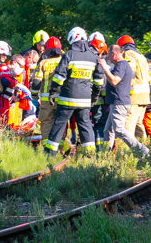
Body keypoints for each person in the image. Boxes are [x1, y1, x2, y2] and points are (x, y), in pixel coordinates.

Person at [43, 27, 105, 156]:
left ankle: (49, 154)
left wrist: (53, 91)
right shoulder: (93, 57)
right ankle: (90, 155)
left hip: (67, 98)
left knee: (59, 124)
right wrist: (94, 96)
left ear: (72, 38)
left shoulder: (69, 54)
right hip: (85, 100)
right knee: (85, 125)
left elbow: (59, 76)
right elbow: (99, 81)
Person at [100, 44, 150, 157]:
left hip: (119, 103)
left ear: (114, 54)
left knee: (118, 130)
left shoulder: (121, 65)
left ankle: (142, 149)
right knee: (108, 131)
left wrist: (104, 68)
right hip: (116, 103)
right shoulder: (120, 65)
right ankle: (104, 155)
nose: (108, 58)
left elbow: (114, 81)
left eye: (109, 55)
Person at [117, 35, 151, 153]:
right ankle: (143, 148)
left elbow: (130, 71)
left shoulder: (128, 54)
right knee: (138, 124)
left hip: (134, 96)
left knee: (128, 125)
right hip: (144, 95)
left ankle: (126, 153)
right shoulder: (141, 56)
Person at [37, 36, 64, 146]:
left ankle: (46, 148)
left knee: (46, 121)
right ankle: (60, 147)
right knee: (60, 122)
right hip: (62, 98)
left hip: (46, 99)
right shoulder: (64, 60)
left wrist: (34, 96)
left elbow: (36, 82)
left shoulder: (43, 63)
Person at [88, 32, 109, 151]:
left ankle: (93, 149)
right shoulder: (107, 58)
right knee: (100, 123)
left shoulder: (89, 57)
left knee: (91, 123)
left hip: (92, 97)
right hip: (101, 98)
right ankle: (99, 149)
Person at [0, 54, 25, 126]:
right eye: (21, 66)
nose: (21, 68)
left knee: (5, 122)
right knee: (0, 122)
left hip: (6, 102)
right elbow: (5, 80)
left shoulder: (12, 73)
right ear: (14, 62)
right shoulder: (4, 67)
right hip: (1, 101)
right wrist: (15, 84)